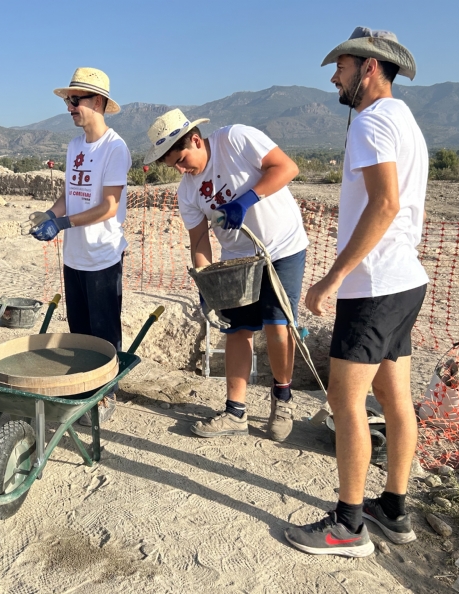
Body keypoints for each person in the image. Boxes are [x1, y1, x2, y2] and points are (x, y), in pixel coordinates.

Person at [284, 28, 427, 558]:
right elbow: (409, 206)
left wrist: (334, 277)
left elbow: (385, 204)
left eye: (340, 65)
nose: (333, 75)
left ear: (369, 67)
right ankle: (393, 509)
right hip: (405, 280)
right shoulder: (406, 119)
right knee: (394, 399)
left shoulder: (370, 121)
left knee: (344, 400)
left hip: (373, 288)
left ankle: (347, 526)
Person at [145, 109, 308, 442]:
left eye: (181, 159)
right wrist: (206, 284)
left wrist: (245, 201)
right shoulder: (187, 192)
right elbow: (200, 241)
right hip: (238, 260)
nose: (180, 169)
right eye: (171, 166)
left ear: (194, 139)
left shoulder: (235, 139)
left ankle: (283, 398)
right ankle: (236, 412)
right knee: (238, 330)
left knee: (278, 326)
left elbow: (287, 167)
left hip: (282, 248)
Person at [28, 67, 131, 425]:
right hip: (74, 256)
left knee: (104, 334)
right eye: (69, 101)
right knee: (80, 331)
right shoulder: (74, 146)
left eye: (76, 100)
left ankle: (105, 395)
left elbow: (109, 206)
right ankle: (86, 389)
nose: (70, 106)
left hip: (102, 257)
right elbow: (70, 195)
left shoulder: (115, 148)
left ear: (99, 102)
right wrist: (49, 215)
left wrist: (63, 223)